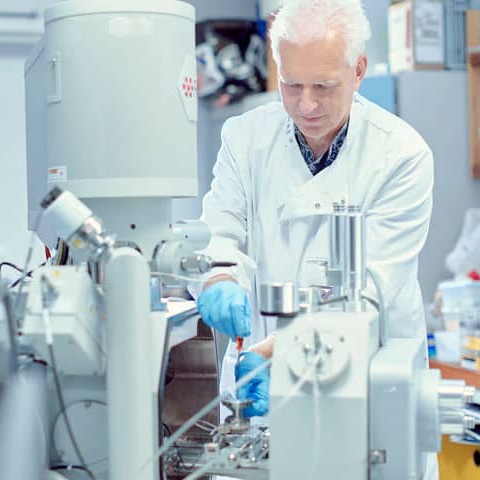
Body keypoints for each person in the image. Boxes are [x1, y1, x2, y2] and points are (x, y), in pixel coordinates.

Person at [194, 0, 434, 467]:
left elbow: (371, 292)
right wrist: (219, 280)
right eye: (291, 84)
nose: (306, 104)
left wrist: (286, 353)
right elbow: (218, 235)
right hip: (257, 400)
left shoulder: (401, 156)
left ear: (359, 69)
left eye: (324, 86)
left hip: (365, 395)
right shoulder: (244, 138)